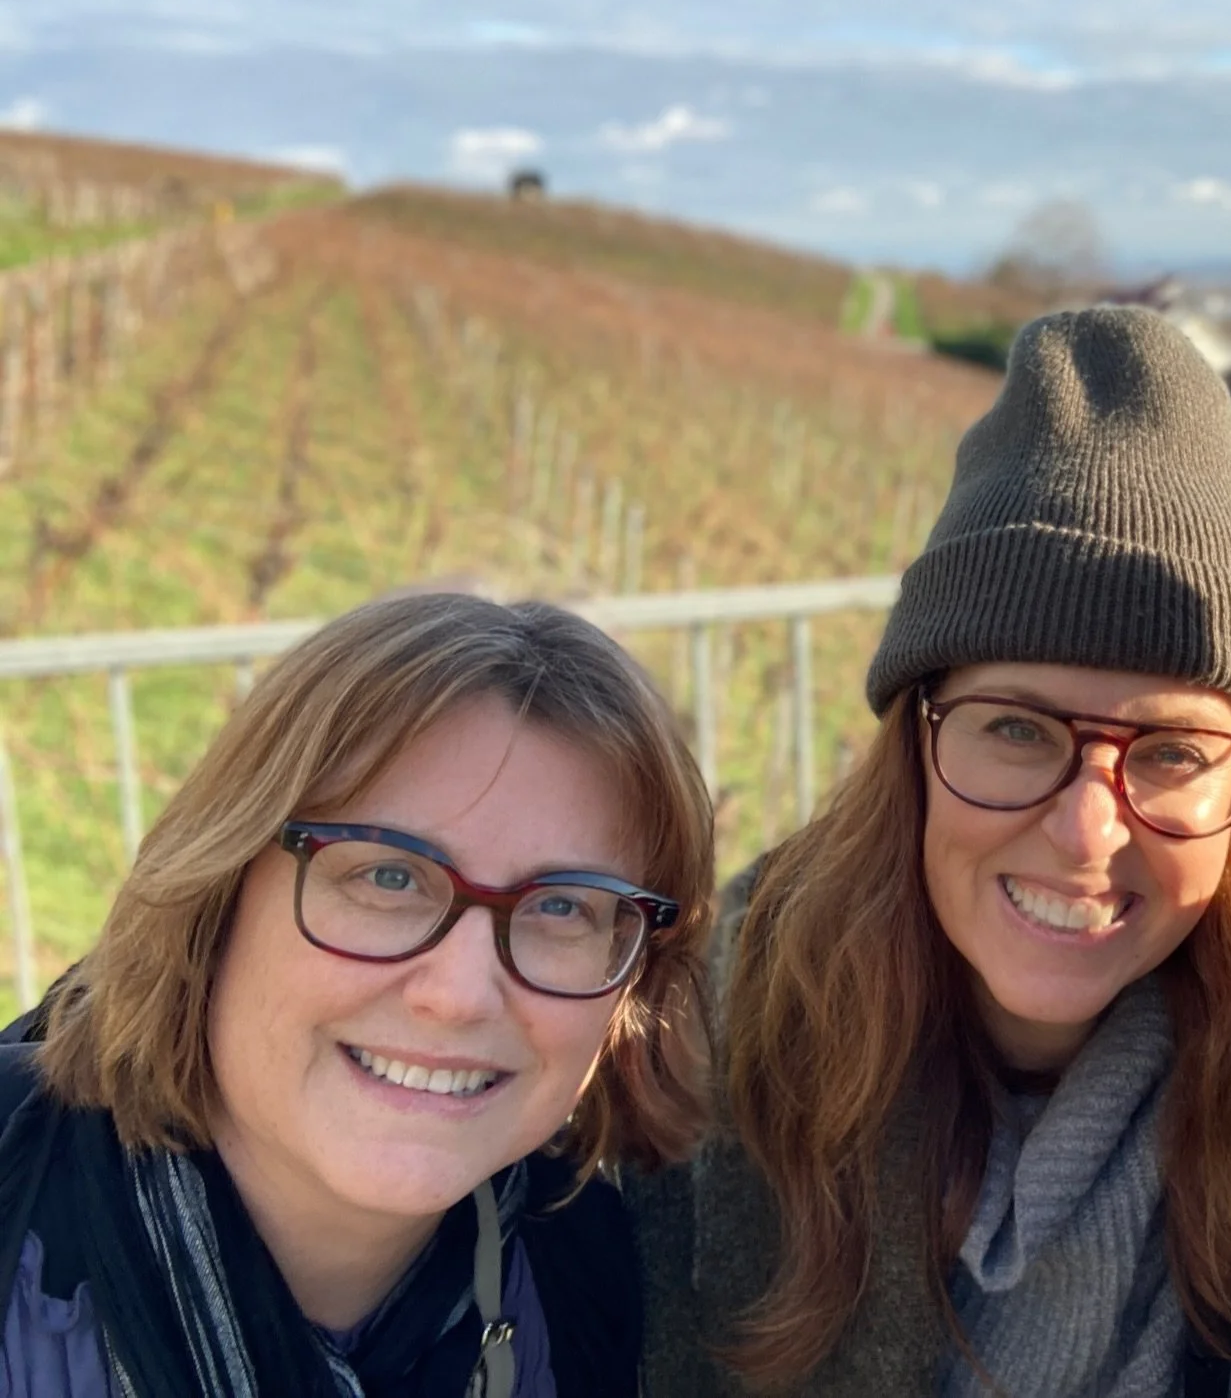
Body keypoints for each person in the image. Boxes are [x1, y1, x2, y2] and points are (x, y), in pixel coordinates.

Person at [631, 305, 1231, 1397]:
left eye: (1172, 751)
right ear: (914, 742)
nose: (1087, 829)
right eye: (1017, 729)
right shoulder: (711, 1042)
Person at [0, 592, 716, 1397]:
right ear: (216, 893)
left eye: (562, 906)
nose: (459, 994)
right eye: (387, 876)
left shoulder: (582, 1271)